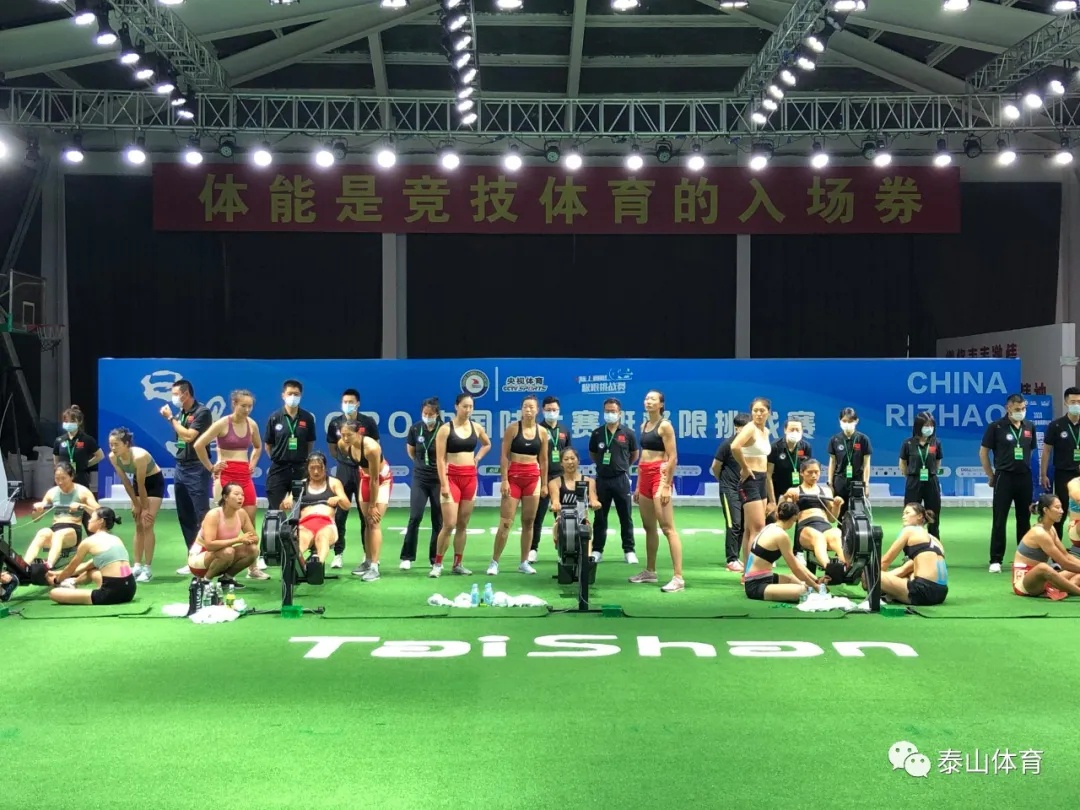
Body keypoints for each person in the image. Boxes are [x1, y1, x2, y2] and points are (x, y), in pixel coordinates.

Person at [195, 389, 263, 580]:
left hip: (244, 476)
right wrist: (211, 467)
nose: (247, 410)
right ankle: (207, 561)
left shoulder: (252, 424)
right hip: (225, 476)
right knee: (220, 520)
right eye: (243, 406)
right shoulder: (222, 423)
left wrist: (252, 463)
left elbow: (258, 446)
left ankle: (253, 568)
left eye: (250, 406)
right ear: (234, 404)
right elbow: (199, 445)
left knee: (250, 522)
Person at [429, 393, 492, 578]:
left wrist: (477, 458)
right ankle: (437, 564)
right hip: (451, 478)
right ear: (456, 406)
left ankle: (457, 564)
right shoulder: (445, 429)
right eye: (465, 406)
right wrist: (443, 484)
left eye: (471, 407)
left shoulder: (476, 427)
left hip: (470, 478)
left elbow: (487, 444)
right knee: (449, 524)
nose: (468, 410)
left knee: (463, 524)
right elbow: (440, 459)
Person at [629, 390, 685, 591]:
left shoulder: (665, 426)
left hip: (659, 477)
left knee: (667, 528)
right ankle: (650, 571)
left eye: (653, 399)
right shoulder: (643, 425)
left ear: (661, 404)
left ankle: (678, 577)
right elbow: (642, 458)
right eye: (646, 398)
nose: (648, 401)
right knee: (648, 526)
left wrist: (666, 485)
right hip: (644, 476)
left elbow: (673, 457)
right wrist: (638, 485)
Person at [490, 396, 549, 576]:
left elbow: (544, 460)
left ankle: (524, 562)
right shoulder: (513, 429)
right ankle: (494, 562)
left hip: (533, 479)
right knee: (506, 522)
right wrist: (504, 480)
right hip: (514, 478)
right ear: (521, 409)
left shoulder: (542, 432)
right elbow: (504, 456)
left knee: (529, 522)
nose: (528, 410)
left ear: (537, 410)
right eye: (525, 407)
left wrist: (544, 484)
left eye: (531, 407)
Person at [263, 379, 318, 572]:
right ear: (283, 395)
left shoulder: (307, 418)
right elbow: (268, 444)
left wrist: (300, 460)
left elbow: (309, 443)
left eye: (296, 394)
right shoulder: (274, 418)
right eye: (290, 394)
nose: (293, 397)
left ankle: (300, 551)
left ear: (301, 396)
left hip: (300, 469)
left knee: (300, 512)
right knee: (275, 511)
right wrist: (279, 458)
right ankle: (268, 552)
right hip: (279, 469)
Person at [980, 394, 1037, 574]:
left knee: (1024, 519)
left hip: (1024, 477)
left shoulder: (1030, 426)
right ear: (1008, 408)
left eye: (1023, 408)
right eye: (1017, 409)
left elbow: (1031, 451)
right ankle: (996, 559)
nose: (1021, 412)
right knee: (1000, 519)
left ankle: (1025, 558)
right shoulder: (996, 427)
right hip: (1004, 477)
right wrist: (991, 475)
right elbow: (983, 452)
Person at [161, 379, 213, 571]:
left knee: (201, 515)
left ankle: (208, 558)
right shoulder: (181, 413)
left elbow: (190, 436)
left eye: (175, 394)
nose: (173, 398)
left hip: (197, 467)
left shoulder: (202, 412)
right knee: (185, 515)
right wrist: (174, 418)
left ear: (186, 393)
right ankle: (193, 558)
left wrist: (170, 419)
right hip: (180, 467)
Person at [326, 388, 379, 570]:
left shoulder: (368, 422)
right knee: (340, 515)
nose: (348, 405)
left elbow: (375, 447)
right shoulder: (335, 423)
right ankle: (338, 554)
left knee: (366, 516)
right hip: (343, 471)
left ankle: (367, 555)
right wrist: (345, 459)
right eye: (345, 402)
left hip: (363, 471)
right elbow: (333, 448)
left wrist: (360, 462)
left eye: (351, 402)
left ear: (358, 404)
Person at [43, 507, 136, 606]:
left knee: (53, 593)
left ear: (100, 521)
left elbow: (71, 568)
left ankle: (69, 586)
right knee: (92, 571)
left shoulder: (89, 541)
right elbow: (87, 566)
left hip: (111, 593)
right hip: (130, 589)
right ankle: (73, 582)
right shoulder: (116, 539)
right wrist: (56, 573)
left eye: (92, 518)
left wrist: (56, 580)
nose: (89, 520)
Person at [107, 427, 165, 583]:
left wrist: (144, 507)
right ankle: (137, 566)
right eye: (111, 444)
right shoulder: (113, 457)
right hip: (138, 484)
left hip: (153, 482)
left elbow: (142, 483)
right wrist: (136, 504)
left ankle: (148, 568)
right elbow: (126, 482)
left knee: (147, 523)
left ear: (126, 444)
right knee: (138, 524)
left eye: (116, 444)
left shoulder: (139, 456)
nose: (113, 448)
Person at [587, 398, 639, 564]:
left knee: (626, 516)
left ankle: (629, 550)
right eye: (607, 411)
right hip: (602, 479)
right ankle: (597, 550)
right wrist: (603, 466)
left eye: (613, 411)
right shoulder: (597, 433)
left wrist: (622, 466)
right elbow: (593, 454)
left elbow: (634, 454)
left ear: (619, 413)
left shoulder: (628, 433)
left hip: (621, 479)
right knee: (600, 517)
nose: (610, 414)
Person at [337, 423, 391, 581]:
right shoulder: (343, 444)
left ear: (359, 433)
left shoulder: (371, 448)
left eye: (349, 435)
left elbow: (375, 479)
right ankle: (367, 561)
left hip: (381, 480)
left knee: (374, 522)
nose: (345, 438)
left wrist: (373, 505)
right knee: (367, 522)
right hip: (365, 478)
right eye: (343, 434)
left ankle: (374, 566)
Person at [281, 453, 350, 577]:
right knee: (299, 542)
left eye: (319, 467)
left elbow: (347, 505)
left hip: (326, 524)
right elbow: (284, 506)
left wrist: (338, 498)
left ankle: (317, 566)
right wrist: (287, 502)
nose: (316, 471)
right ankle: (301, 567)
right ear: (307, 469)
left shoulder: (333, 483)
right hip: (305, 524)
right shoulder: (301, 484)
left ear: (325, 467)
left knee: (322, 537)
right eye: (312, 468)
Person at [742, 500, 825, 602]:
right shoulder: (781, 536)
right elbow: (795, 568)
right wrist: (815, 586)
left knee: (793, 579)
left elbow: (795, 561)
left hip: (765, 577)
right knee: (802, 590)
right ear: (794, 518)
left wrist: (815, 579)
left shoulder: (770, 526)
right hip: (756, 585)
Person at [24, 462, 101, 571]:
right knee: (42, 532)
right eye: (57, 478)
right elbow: (36, 519)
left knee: (59, 534)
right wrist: (37, 510)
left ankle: (48, 566)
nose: (60, 482)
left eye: (63, 478)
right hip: (55, 527)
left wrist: (83, 506)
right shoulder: (51, 492)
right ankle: (24, 566)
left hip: (73, 530)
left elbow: (100, 512)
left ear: (71, 476)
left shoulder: (82, 491)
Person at [187, 482, 260, 588]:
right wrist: (238, 540)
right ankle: (205, 582)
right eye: (236, 494)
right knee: (228, 552)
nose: (240, 497)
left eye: (242, 495)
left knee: (253, 550)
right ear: (225, 497)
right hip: (199, 560)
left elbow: (255, 538)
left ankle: (227, 579)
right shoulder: (214, 515)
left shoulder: (242, 514)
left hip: (223, 556)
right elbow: (209, 545)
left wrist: (250, 539)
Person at [400, 397, 443, 570]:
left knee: (438, 520)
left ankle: (435, 559)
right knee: (415, 517)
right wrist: (421, 465)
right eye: (425, 413)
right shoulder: (415, 429)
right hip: (420, 478)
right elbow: (411, 451)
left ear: (437, 414)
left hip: (439, 479)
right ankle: (407, 557)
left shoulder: (444, 429)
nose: (427, 416)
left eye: (431, 414)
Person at [779, 458, 845, 570]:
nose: (814, 475)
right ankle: (829, 567)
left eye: (816, 472)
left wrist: (837, 506)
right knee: (818, 537)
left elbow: (832, 519)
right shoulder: (795, 491)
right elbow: (781, 513)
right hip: (806, 527)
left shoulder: (826, 491)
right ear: (802, 473)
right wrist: (785, 497)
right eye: (810, 472)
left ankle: (845, 567)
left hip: (825, 526)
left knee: (837, 533)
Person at [1010, 494, 1080, 598]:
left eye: (1061, 507)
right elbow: (1064, 564)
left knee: (1077, 575)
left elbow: (1066, 556)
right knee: (1043, 567)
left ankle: (1064, 588)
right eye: (1057, 507)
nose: (1061, 511)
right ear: (1046, 510)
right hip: (1024, 584)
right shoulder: (1039, 533)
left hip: (1043, 581)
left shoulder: (1051, 529)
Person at [529, 396, 572, 563]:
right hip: (542, 477)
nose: (551, 412)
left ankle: (563, 549)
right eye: (548, 410)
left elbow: (569, 455)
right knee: (537, 516)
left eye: (554, 410)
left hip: (561, 478)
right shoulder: (538, 429)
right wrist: (542, 481)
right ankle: (533, 549)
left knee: (563, 517)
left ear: (559, 411)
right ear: (542, 410)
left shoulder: (564, 430)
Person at [879, 503, 948, 606]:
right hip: (941, 593)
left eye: (907, 513)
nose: (903, 516)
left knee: (870, 576)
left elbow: (885, 562)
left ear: (920, 516)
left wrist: (873, 578)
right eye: (903, 514)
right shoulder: (935, 541)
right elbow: (905, 569)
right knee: (906, 573)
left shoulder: (909, 531)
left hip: (922, 590)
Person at [731, 397, 772, 564]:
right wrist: (745, 467)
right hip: (750, 480)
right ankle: (753, 570)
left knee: (750, 529)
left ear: (769, 413)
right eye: (755, 411)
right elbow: (734, 446)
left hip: (761, 479)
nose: (759, 414)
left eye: (762, 410)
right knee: (758, 528)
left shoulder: (766, 431)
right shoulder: (750, 428)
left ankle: (748, 571)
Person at [1040, 386, 1080, 539]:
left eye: (1079, 402)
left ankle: (1077, 547)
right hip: (1063, 473)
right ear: (1066, 402)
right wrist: (1043, 474)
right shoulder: (1056, 425)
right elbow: (1046, 451)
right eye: (1073, 402)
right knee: (1059, 512)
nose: (1076, 405)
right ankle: (1056, 547)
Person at [712, 412, 749, 572]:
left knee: (743, 525)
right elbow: (715, 466)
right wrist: (724, 482)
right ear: (736, 428)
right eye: (740, 428)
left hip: (745, 490)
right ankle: (731, 559)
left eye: (746, 428)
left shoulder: (751, 445)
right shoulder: (728, 444)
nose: (743, 431)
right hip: (729, 489)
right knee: (734, 523)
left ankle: (738, 557)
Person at [898, 411, 942, 538]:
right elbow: (902, 463)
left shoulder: (936, 443)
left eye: (931, 425)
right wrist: (910, 476)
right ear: (918, 426)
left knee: (934, 514)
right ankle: (910, 544)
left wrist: (932, 472)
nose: (929, 428)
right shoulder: (908, 443)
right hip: (914, 481)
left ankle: (934, 542)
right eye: (926, 425)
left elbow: (938, 461)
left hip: (931, 481)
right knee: (911, 513)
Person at [548, 446, 601, 552]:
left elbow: (593, 497)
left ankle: (587, 556)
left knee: (586, 530)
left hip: (582, 521)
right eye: (566, 459)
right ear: (561, 463)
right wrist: (555, 504)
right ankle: (560, 547)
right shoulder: (554, 482)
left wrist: (595, 502)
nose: (570, 462)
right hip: (562, 521)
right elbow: (555, 499)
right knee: (557, 527)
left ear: (578, 461)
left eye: (573, 458)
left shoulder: (589, 481)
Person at [826, 407, 873, 521]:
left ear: (856, 421)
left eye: (850, 421)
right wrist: (830, 483)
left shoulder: (863, 439)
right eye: (844, 421)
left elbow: (866, 464)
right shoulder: (835, 439)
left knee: (858, 513)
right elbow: (832, 462)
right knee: (840, 514)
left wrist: (866, 484)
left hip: (857, 481)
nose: (847, 424)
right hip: (840, 481)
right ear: (840, 421)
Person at [765, 417, 812, 520]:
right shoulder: (775, 447)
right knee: (775, 519)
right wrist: (772, 501)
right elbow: (768, 475)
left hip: (797, 491)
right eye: (791, 429)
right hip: (777, 491)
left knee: (802, 520)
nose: (794, 432)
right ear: (785, 430)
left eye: (797, 430)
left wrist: (803, 492)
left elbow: (807, 472)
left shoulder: (805, 447)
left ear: (802, 431)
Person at [52, 405, 102, 489]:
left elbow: (100, 455)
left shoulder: (87, 439)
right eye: (66, 421)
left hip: (81, 478)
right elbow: (56, 459)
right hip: (63, 479)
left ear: (79, 422)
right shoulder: (59, 440)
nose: (68, 424)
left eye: (72, 421)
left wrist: (86, 464)